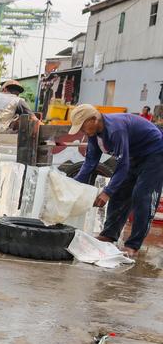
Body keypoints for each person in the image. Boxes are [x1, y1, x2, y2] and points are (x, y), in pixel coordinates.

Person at [70, 104, 163, 257]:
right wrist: (73, 185)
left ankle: (133, 245)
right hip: (134, 155)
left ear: (94, 119)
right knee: (119, 193)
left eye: (82, 127)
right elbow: (90, 163)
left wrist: (106, 192)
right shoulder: (94, 135)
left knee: (142, 195)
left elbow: (122, 164)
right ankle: (109, 234)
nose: (81, 131)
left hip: (155, 153)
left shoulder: (115, 129)